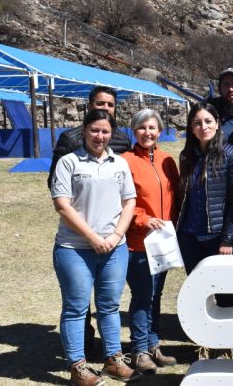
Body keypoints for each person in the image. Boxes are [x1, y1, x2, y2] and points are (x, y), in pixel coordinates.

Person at [51, 109, 141, 385]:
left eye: (105, 131)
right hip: (74, 248)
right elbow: (62, 205)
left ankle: (113, 359)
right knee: (76, 308)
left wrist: (115, 236)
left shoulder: (120, 163)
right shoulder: (69, 162)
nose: (99, 136)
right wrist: (92, 238)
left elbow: (129, 202)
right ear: (85, 131)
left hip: (115, 248)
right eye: (94, 130)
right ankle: (78, 366)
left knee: (110, 306)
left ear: (111, 134)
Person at [177, 103, 233, 360]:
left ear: (217, 123)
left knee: (224, 295)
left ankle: (224, 345)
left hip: (217, 238)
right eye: (197, 123)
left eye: (208, 121)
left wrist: (227, 237)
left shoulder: (229, 154)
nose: (203, 127)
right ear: (191, 128)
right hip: (190, 236)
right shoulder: (186, 156)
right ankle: (206, 342)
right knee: (200, 294)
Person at [121, 109, 179, 374]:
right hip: (138, 242)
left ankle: (153, 344)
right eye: (142, 127)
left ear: (160, 131)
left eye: (153, 128)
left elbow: (175, 198)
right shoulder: (125, 161)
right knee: (143, 295)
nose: (148, 132)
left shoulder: (168, 160)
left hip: (163, 242)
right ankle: (139, 350)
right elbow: (120, 202)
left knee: (156, 295)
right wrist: (143, 220)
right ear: (134, 130)